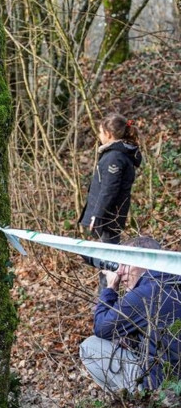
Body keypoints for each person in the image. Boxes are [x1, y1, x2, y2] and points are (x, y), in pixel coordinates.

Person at [79, 236, 181, 394]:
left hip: (160, 385)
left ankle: (132, 399)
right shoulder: (173, 280)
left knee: (90, 346)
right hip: (175, 377)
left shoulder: (144, 294)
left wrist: (110, 287)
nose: (120, 271)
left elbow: (101, 328)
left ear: (146, 260)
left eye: (125, 263)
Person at [79, 114, 142, 282]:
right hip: (109, 218)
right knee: (104, 264)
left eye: (100, 132)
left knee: (107, 266)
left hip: (108, 219)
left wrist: (97, 216)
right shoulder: (117, 154)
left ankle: (105, 303)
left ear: (108, 134)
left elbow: (109, 189)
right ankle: (105, 300)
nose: (99, 136)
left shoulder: (115, 156)